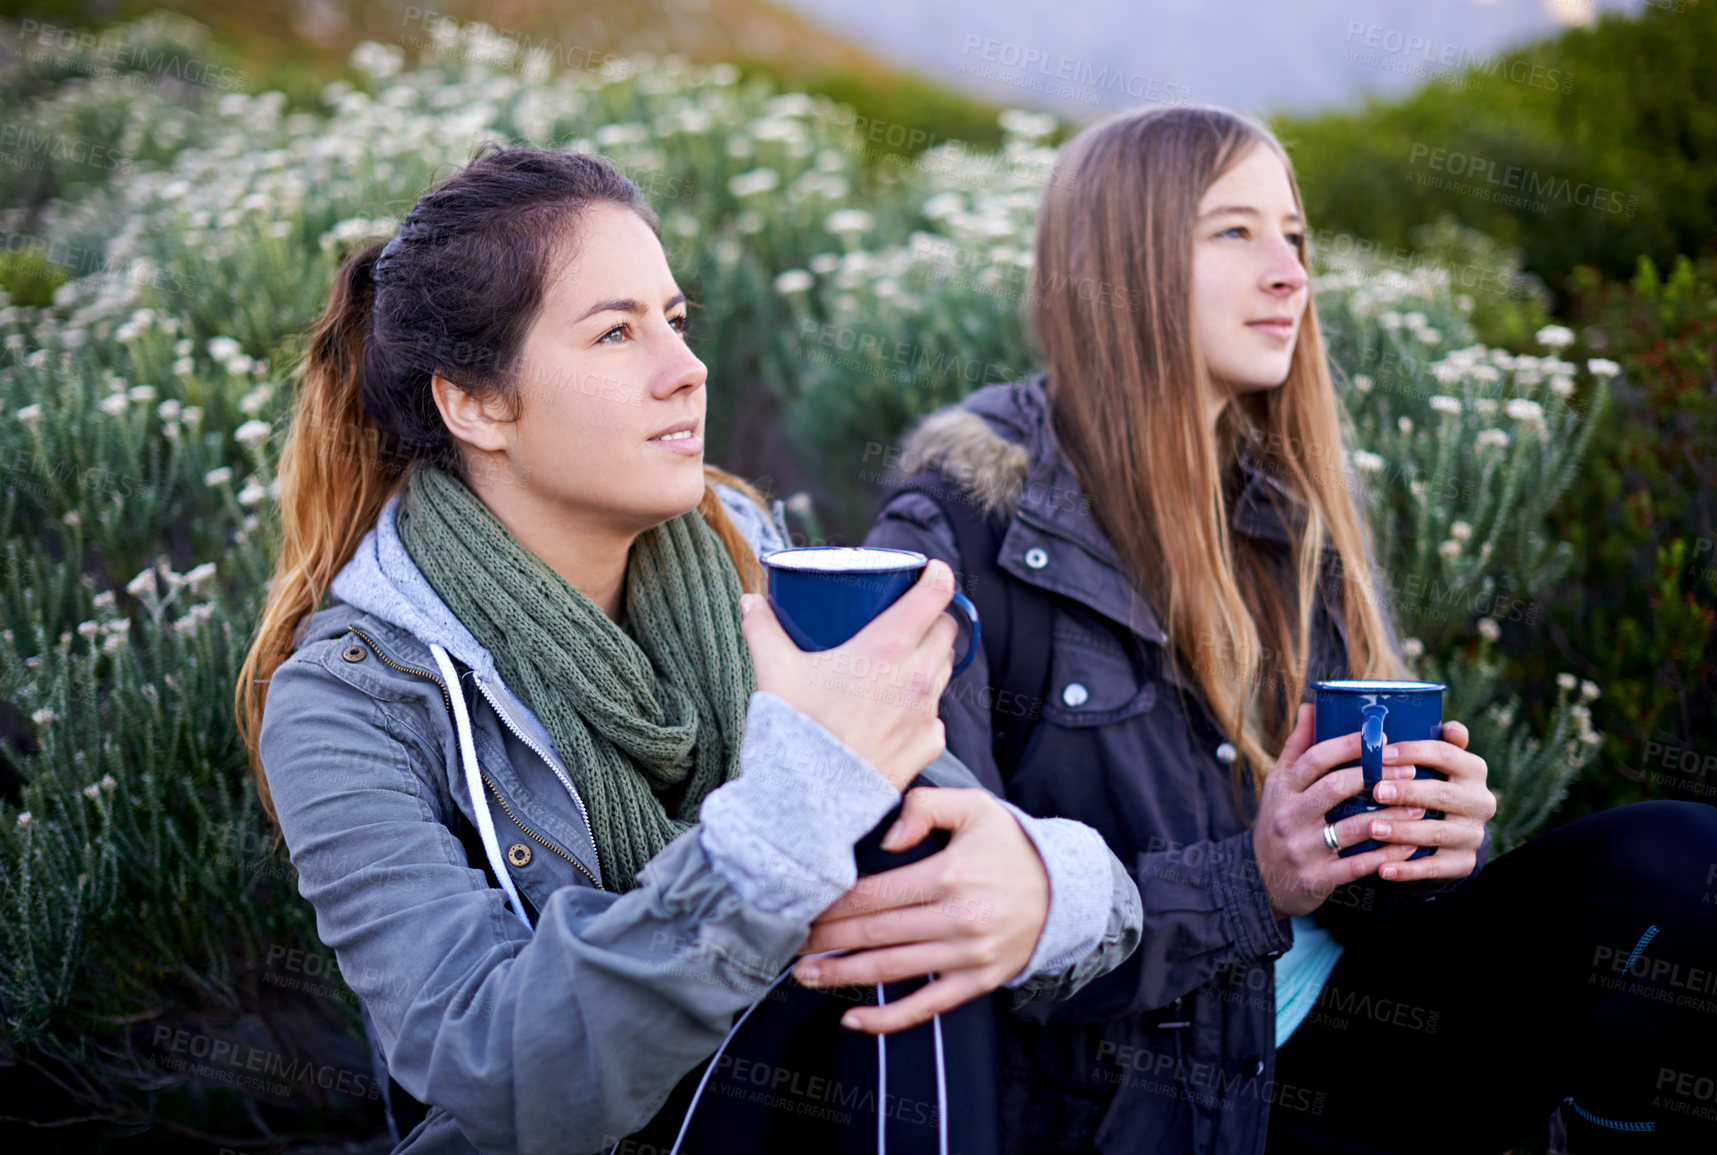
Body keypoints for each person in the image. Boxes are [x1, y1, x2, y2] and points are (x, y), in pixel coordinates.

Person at [235, 143, 1143, 1155]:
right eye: (616, 333)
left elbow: (950, 830)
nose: (687, 369)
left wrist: (1048, 887)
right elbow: (497, 1073)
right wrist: (790, 816)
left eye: (675, 320)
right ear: (477, 403)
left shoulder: (750, 569)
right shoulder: (348, 700)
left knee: (902, 885)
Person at [859, 104, 1717, 1154]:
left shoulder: (1283, 502)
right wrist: (1248, 882)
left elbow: (1362, 881)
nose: (1289, 273)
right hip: (1147, 1092)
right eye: (1235, 232)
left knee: (1684, 865)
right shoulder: (962, 523)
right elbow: (940, 906)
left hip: (1353, 1022)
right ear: (1118, 261)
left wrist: (1430, 843)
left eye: (1297, 237)